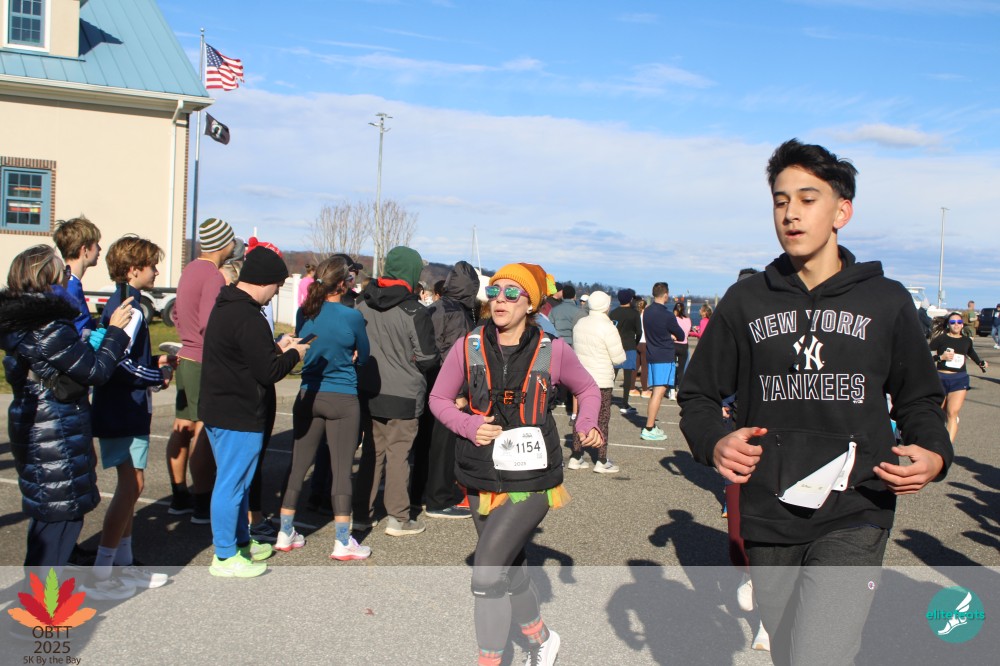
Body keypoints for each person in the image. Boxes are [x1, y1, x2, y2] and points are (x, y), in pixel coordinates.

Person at [678, 138, 954, 665]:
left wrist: (936, 453)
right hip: (769, 509)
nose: (791, 214)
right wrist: (715, 442)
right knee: (787, 650)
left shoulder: (886, 300)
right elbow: (697, 396)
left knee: (820, 653)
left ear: (841, 212)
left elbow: (920, 398)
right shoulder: (746, 301)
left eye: (807, 199)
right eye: (780, 201)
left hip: (858, 506)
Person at [429, 262, 602, 666]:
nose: (500, 300)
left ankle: (491, 660)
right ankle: (541, 639)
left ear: (531, 304)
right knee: (508, 566)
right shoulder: (469, 346)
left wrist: (587, 424)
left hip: (531, 477)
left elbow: (588, 388)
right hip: (480, 473)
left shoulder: (552, 350)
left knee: (486, 574)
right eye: (495, 291)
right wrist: (469, 424)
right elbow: (438, 399)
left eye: (512, 293)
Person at [1, 245, 131, 572]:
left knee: (48, 519)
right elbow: (95, 372)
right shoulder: (48, 325)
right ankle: (43, 602)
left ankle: (39, 597)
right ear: (48, 276)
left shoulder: (22, 323)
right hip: (54, 428)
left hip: (38, 424)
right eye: (63, 271)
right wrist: (116, 332)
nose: (67, 276)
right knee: (60, 522)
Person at [200, 244, 310, 578]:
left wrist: (276, 346)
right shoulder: (248, 316)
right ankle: (224, 556)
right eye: (277, 286)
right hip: (239, 412)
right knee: (232, 485)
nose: (276, 292)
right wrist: (295, 354)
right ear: (264, 281)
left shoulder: (228, 305)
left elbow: (245, 355)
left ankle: (240, 543)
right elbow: (268, 372)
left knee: (238, 485)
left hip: (222, 408)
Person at [89, 236, 175, 597]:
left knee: (134, 483)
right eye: (151, 265)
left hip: (125, 406)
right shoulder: (132, 307)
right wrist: (157, 375)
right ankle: (103, 569)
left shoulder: (126, 302)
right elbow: (119, 363)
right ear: (132, 269)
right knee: (131, 485)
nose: (156, 271)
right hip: (122, 408)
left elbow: (127, 357)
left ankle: (122, 563)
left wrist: (154, 361)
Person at [276, 256, 371, 559]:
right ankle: (342, 541)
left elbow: (304, 343)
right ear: (343, 284)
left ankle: (284, 531)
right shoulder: (352, 316)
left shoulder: (305, 311)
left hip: (309, 394)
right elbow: (364, 355)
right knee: (342, 471)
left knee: (298, 465)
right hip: (342, 396)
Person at [354, 246, 438, 537]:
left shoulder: (362, 304)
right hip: (404, 391)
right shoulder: (415, 311)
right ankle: (398, 517)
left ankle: (361, 514)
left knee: (372, 452)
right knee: (398, 454)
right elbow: (428, 358)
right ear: (412, 272)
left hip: (369, 387)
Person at [166, 217, 236, 523]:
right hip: (204, 360)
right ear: (223, 243)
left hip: (186, 356)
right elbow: (211, 323)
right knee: (204, 430)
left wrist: (187, 337)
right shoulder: (212, 275)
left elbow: (177, 313)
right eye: (231, 239)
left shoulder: (190, 269)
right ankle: (201, 501)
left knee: (182, 425)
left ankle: (179, 494)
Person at [420, 260, 480, 519]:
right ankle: (439, 498)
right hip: (445, 388)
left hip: (426, 382)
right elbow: (453, 356)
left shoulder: (435, 307)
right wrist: (458, 393)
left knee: (425, 442)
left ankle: (421, 492)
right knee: (443, 446)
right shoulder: (457, 313)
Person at [569, 290, 625, 473]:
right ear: (606, 306)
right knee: (602, 418)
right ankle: (601, 459)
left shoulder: (580, 324)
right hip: (601, 379)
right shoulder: (608, 327)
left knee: (581, 416)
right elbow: (618, 358)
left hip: (581, 378)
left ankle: (576, 455)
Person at [928, 312, 987, 444]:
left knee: (952, 413)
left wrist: (981, 363)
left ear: (962, 325)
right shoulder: (940, 339)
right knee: (939, 414)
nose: (956, 325)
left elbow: (971, 353)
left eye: (959, 322)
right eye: (953, 322)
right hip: (941, 379)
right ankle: (936, 439)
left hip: (959, 380)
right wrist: (941, 357)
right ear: (948, 325)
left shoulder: (966, 341)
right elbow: (926, 356)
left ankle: (946, 447)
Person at [640, 282, 684, 441]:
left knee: (655, 392)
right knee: (659, 393)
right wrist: (670, 336)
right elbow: (681, 335)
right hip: (664, 355)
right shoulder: (667, 315)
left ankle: (650, 425)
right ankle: (649, 428)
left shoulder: (647, 311)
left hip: (651, 354)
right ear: (666, 295)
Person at [51, 216, 102, 336]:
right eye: (96, 244)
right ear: (85, 250)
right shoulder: (70, 288)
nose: (100, 249)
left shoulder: (68, 282)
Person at [609, 288, 642, 415]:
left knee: (612, 374)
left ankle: (606, 399)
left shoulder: (613, 313)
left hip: (615, 346)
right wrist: (635, 343)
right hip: (629, 346)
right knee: (628, 376)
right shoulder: (634, 313)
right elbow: (639, 332)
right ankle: (625, 403)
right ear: (630, 299)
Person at [671, 301, 692, 400]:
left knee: (672, 368)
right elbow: (687, 332)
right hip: (684, 346)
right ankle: (680, 390)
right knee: (681, 369)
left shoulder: (674, 319)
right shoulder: (688, 320)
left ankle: (672, 390)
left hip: (674, 344)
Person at [634, 298, 650, 398]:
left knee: (635, 366)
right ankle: (644, 390)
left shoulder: (636, 315)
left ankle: (631, 388)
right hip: (645, 342)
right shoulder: (647, 316)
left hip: (636, 342)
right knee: (644, 367)